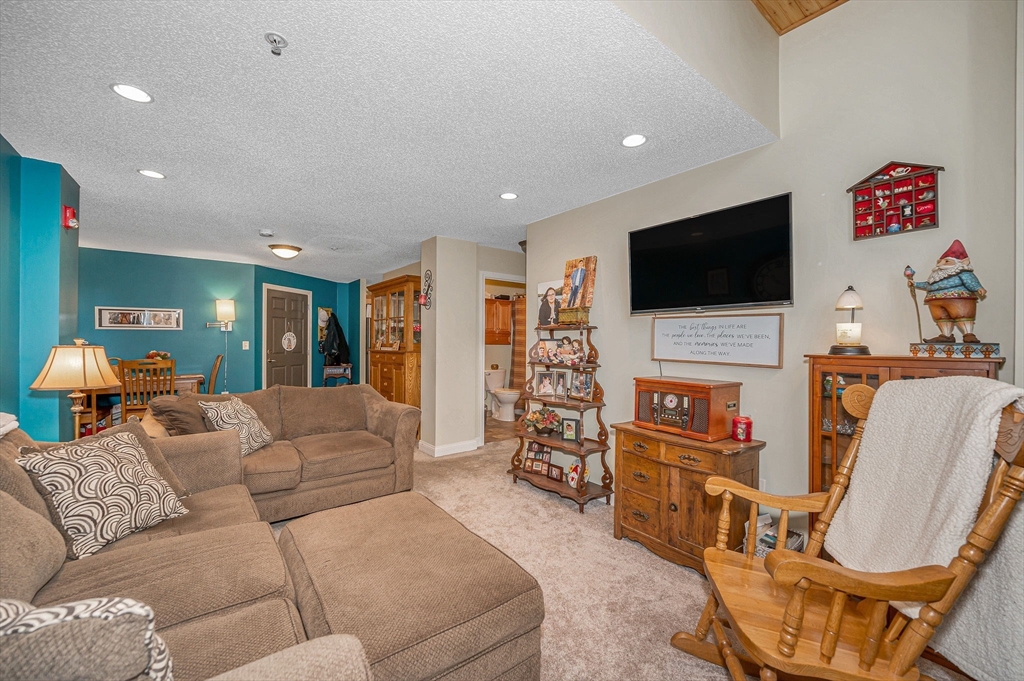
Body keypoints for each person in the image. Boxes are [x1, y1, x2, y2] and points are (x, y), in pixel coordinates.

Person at [909, 240, 986, 343]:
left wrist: (978, 288)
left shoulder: (961, 272)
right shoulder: (936, 275)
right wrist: (915, 284)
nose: (940, 264)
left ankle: (968, 334)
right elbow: (928, 285)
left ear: (963, 262)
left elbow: (970, 281)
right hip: (936, 300)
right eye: (939, 261)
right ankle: (946, 336)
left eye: (946, 261)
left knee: (963, 315)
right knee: (941, 318)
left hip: (958, 299)